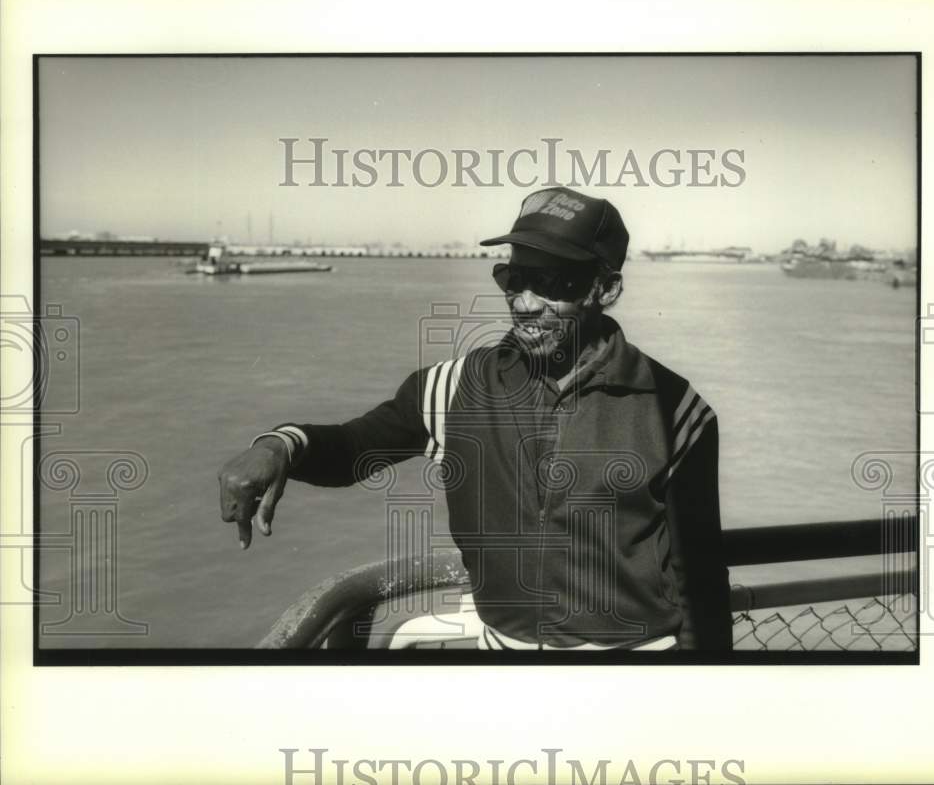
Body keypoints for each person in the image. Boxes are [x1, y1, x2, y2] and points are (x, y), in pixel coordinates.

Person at [218, 187, 732, 651]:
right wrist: (280, 445)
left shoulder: (676, 411)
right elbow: (354, 448)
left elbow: (700, 583)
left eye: (552, 281)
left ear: (606, 289)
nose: (524, 303)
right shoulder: (452, 387)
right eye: (514, 278)